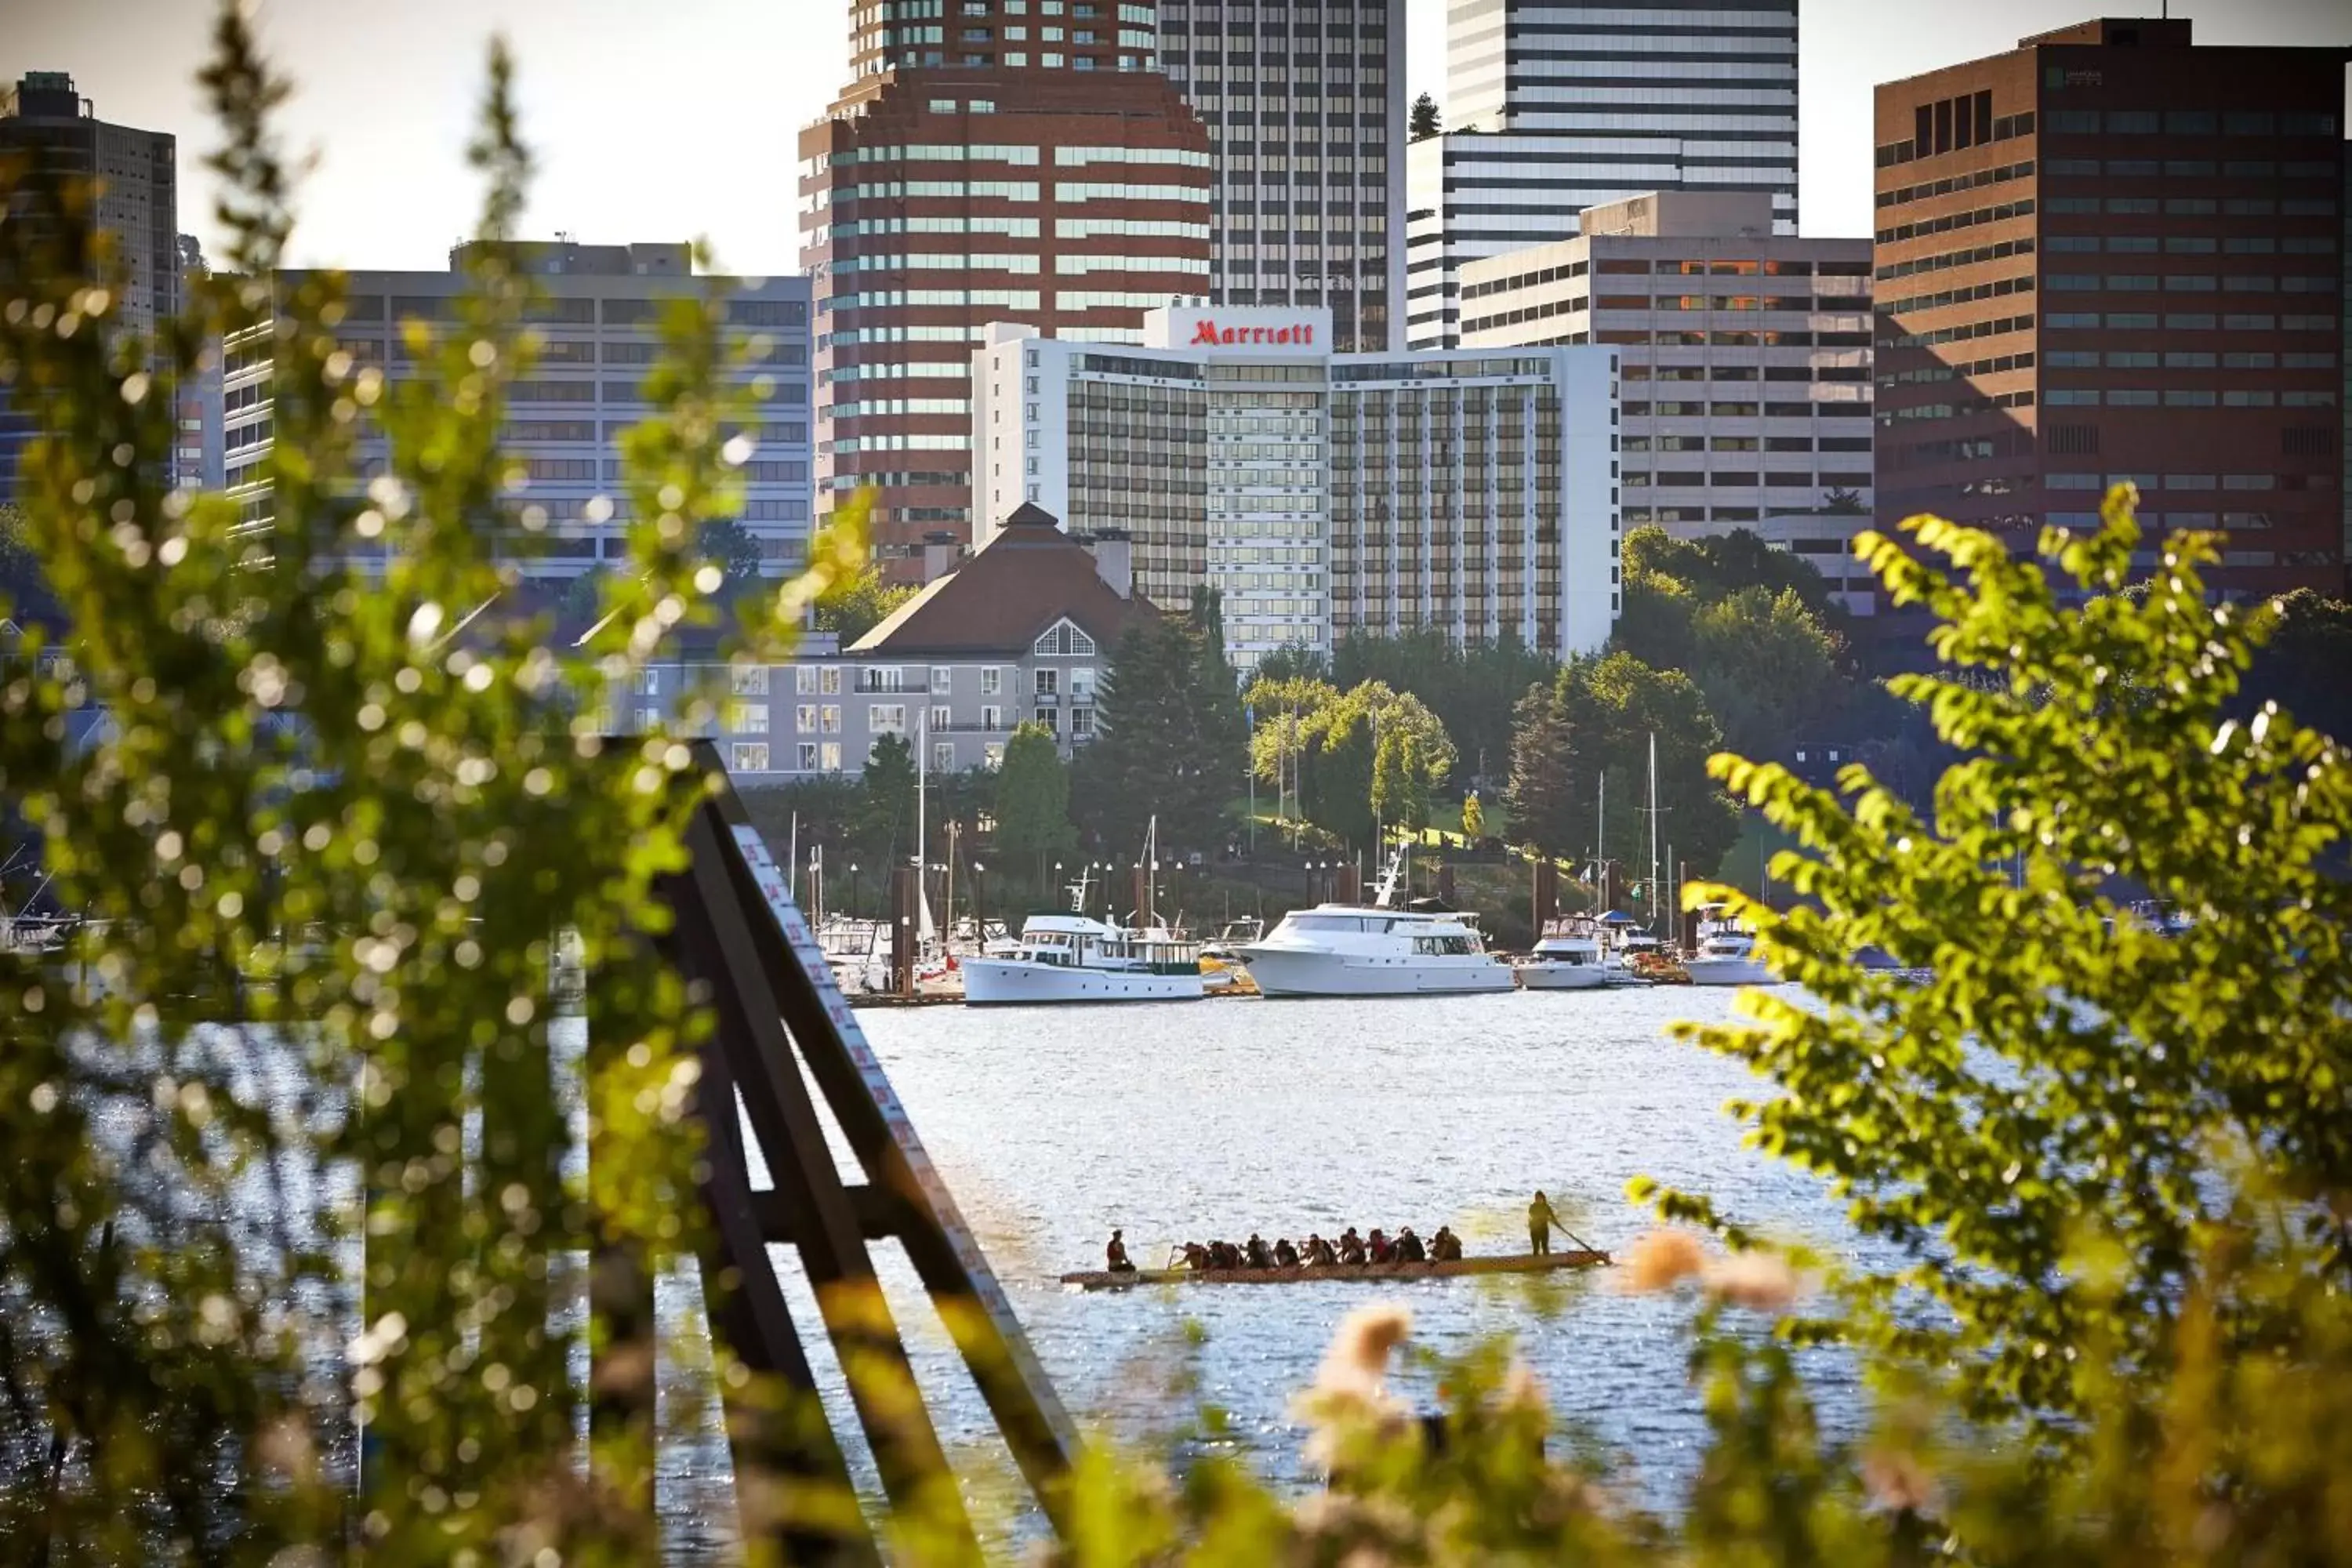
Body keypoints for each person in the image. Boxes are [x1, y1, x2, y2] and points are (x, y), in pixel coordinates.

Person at [1529, 1190, 1562, 1256]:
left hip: (1544, 1230)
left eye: (1540, 1198)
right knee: (1536, 1248)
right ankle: (1536, 1263)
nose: (1538, 1200)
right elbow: (1533, 1216)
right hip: (1534, 1230)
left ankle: (1547, 1262)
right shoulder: (1532, 1207)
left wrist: (1558, 1224)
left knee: (1545, 1247)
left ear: (1543, 1198)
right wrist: (1544, 1217)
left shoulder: (1547, 1207)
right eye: (1537, 1198)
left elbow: (1553, 1217)